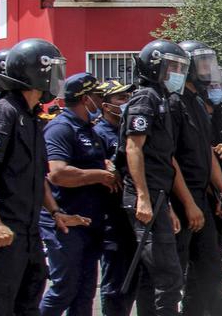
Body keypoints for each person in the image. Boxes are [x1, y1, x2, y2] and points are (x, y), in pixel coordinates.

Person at [0, 39, 90, 315]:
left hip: (28, 228)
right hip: (5, 227)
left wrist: (55, 211)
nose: (57, 78)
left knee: (29, 296)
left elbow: (37, 175)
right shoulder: (3, 113)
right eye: (52, 70)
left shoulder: (32, 117)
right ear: (35, 73)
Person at [117, 39, 191, 315]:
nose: (176, 74)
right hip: (145, 197)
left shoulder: (162, 99)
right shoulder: (145, 97)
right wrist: (143, 198)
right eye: (171, 67)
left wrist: (166, 205)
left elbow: (162, 160)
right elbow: (133, 148)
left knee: (154, 276)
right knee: (168, 277)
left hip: (159, 195)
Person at [39, 73, 117, 316]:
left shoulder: (89, 129)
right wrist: (101, 175)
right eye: (98, 97)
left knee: (84, 293)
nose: (101, 102)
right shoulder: (61, 128)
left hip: (89, 221)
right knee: (64, 289)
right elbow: (58, 174)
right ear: (85, 99)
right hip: (65, 221)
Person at [170, 41, 222, 316]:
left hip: (202, 197)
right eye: (203, 62)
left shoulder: (198, 103)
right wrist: (188, 203)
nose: (209, 69)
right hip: (181, 199)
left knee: (210, 267)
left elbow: (206, 153)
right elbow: (169, 159)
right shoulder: (173, 104)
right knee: (174, 274)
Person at [92, 80, 138, 316]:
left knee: (132, 281)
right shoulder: (98, 134)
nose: (125, 102)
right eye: (120, 98)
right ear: (105, 104)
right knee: (114, 284)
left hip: (131, 216)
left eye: (127, 97)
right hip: (112, 218)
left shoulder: (127, 130)